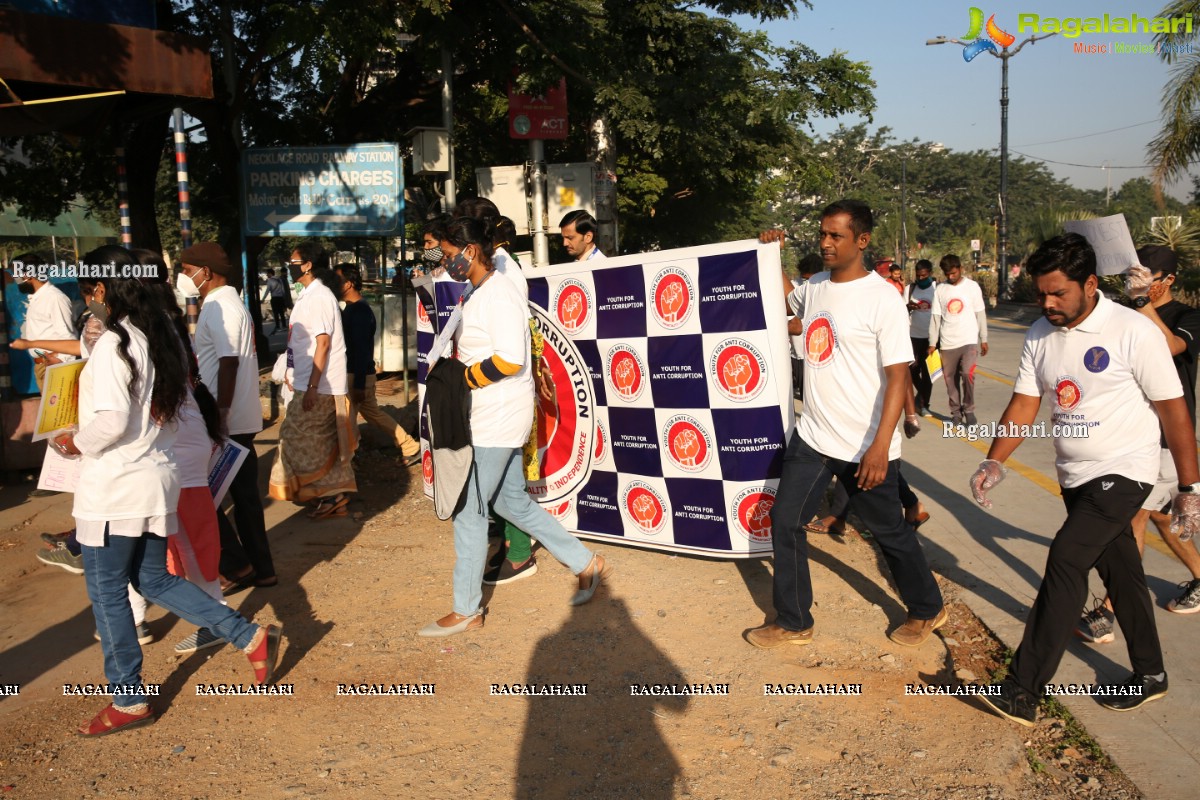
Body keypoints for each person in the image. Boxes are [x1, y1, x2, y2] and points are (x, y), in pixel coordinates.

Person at [971, 233, 1200, 726]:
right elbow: (1026, 402)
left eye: (1059, 293)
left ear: (1091, 284)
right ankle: (1151, 675)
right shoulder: (1039, 333)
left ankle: (1022, 689)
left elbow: (1173, 408)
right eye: (1042, 294)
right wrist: (996, 460)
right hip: (1075, 477)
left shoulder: (1131, 330)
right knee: (1123, 573)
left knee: (1066, 560)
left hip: (1125, 473)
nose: (1048, 303)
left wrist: (1189, 487)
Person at [50, 250, 281, 737]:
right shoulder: (150, 337)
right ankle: (247, 635)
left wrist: (75, 440)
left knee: (109, 590)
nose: (85, 298)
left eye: (87, 288)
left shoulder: (115, 342)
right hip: (153, 476)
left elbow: (112, 421)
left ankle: (128, 697)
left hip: (117, 483)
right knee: (152, 580)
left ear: (100, 290)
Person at [747, 199, 945, 651]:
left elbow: (898, 374)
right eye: (822, 234)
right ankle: (795, 620)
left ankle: (927, 608)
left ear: (862, 240)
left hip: (864, 446)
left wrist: (880, 446)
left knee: (890, 532)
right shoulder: (815, 285)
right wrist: (769, 254)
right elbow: (788, 304)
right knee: (784, 520)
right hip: (814, 435)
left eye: (836, 235)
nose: (826, 243)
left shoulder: (883, 299)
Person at [419, 217, 609, 637]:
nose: (445, 262)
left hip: (498, 415)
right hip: (492, 412)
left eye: (449, 255)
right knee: (512, 504)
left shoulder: (499, 292)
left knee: (469, 510)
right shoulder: (480, 289)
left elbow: (509, 360)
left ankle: (466, 609)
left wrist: (462, 380)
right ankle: (585, 562)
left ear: (470, 251)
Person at [1076, 244, 1200, 642]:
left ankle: (1109, 614)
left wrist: (1143, 301)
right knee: (1162, 518)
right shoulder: (1127, 313)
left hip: (1166, 438)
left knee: (1134, 522)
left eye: (1148, 279)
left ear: (1169, 281)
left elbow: (1171, 347)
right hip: (1128, 433)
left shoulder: (1186, 316)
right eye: (1134, 277)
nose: (1138, 284)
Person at [178, 242, 275, 592]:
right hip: (232, 414)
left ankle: (238, 566)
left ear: (206, 272)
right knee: (243, 498)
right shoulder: (222, 304)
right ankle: (258, 568)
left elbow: (229, 361)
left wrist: (219, 412)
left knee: (202, 494)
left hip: (225, 417)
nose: (184, 278)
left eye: (188, 271)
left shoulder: (222, 307)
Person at [269, 242, 357, 518]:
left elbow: (322, 344)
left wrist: (311, 387)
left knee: (296, 439)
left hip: (319, 387)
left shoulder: (319, 297)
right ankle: (330, 495)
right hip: (310, 383)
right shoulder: (310, 295)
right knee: (318, 443)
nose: (290, 266)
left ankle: (326, 494)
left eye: (294, 262)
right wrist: (291, 372)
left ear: (307, 265)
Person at [334, 262, 421, 466]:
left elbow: (362, 351)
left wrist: (357, 384)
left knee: (346, 420)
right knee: (372, 414)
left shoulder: (359, 313)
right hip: (359, 373)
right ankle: (409, 446)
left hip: (357, 374)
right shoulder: (352, 309)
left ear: (348, 284)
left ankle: (347, 461)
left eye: (337, 280)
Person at [928, 255, 988, 425]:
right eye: (947, 274)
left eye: (953, 273)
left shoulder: (972, 287)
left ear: (960, 268)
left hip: (968, 340)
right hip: (947, 342)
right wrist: (933, 343)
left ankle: (969, 409)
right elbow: (935, 318)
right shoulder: (940, 290)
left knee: (968, 374)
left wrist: (983, 338)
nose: (951, 277)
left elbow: (980, 314)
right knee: (950, 380)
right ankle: (955, 412)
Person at [9, 252, 76, 393]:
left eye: (17, 276)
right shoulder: (36, 299)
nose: (16, 280)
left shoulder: (54, 298)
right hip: (42, 367)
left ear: (28, 275)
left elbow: (67, 336)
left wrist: (60, 365)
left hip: (54, 367)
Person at [906, 260, 936, 415]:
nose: (921, 279)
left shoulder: (937, 289)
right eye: (918, 276)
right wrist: (908, 308)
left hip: (932, 337)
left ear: (930, 273)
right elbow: (901, 310)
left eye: (924, 276)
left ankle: (924, 404)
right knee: (911, 370)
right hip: (913, 336)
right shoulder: (910, 289)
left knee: (928, 372)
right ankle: (921, 396)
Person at [264, 267, 290, 333]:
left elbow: (267, 290)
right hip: (281, 298)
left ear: (270, 274)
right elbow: (283, 290)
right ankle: (284, 326)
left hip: (274, 298)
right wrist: (284, 298)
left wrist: (263, 298)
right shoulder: (279, 279)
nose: (267, 275)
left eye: (267, 274)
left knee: (275, 313)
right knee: (281, 313)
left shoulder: (270, 280)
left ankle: (278, 326)